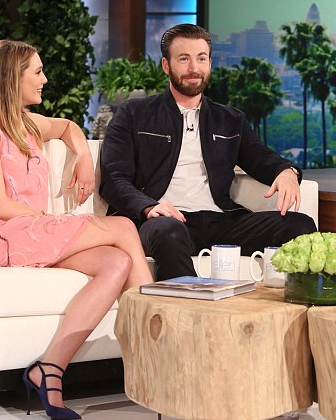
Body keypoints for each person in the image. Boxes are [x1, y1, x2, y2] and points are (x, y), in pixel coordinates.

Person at [0, 40, 153, 420]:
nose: (44, 79)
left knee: (116, 262)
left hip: (27, 232)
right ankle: (158, 342)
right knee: (125, 226)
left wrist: (83, 157)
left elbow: (67, 127)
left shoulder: (26, 123)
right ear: (12, 78)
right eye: (37, 71)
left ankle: (50, 368)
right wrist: (49, 222)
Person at [100, 24, 317, 280]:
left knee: (300, 225)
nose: (194, 68)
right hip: (161, 220)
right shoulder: (134, 113)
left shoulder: (230, 119)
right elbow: (113, 179)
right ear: (166, 65)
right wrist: (148, 207)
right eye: (184, 59)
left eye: (201, 58)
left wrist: (287, 171)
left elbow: (259, 157)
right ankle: (185, 303)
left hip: (219, 220)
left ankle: (296, 303)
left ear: (210, 63)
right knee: (169, 231)